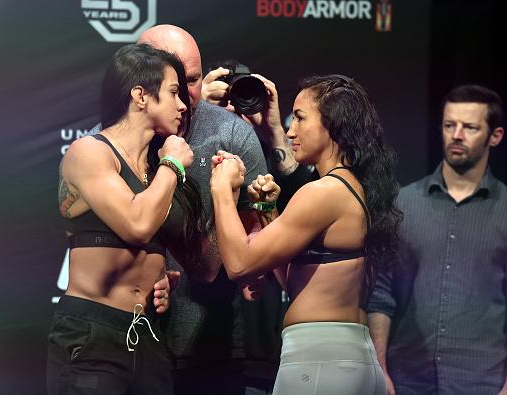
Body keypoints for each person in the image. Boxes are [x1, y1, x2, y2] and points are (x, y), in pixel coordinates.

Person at [210, 74, 402, 395]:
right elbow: (297, 281)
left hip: (320, 361)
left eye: (299, 118)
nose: (290, 130)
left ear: (334, 125)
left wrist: (221, 188)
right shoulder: (355, 186)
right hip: (346, 356)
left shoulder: (323, 192)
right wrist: (268, 212)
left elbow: (240, 265)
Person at [47, 43, 205, 395]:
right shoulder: (90, 152)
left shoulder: (155, 170)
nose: (183, 105)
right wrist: (174, 164)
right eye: (174, 92)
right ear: (141, 96)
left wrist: (161, 274)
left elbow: (200, 262)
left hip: (149, 334)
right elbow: (136, 225)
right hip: (93, 334)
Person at [136, 25, 277, 395]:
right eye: (173, 83)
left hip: (211, 347)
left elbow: (258, 234)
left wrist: (254, 257)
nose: (185, 95)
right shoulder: (114, 143)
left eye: (194, 80)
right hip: (127, 345)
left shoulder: (232, 135)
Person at [367, 84, 507, 395]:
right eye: (449, 125)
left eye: (469, 127)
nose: (457, 135)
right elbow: (381, 294)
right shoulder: (403, 204)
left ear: (494, 136)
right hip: (407, 380)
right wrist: (380, 369)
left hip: (483, 382)